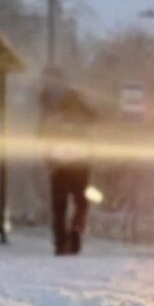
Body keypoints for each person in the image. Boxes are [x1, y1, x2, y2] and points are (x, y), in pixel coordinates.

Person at [39, 67, 99, 256]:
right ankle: (75, 232)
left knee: (59, 206)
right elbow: (96, 121)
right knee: (81, 202)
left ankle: (60, 242)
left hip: (59, 166)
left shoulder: (53, 112)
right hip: (80, 164)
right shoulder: (83, 110)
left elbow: (43, 135)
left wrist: (49, 160)